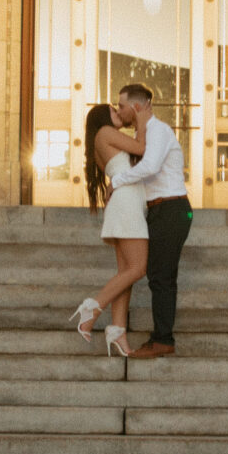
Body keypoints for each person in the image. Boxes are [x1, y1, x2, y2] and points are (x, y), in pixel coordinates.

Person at [111, 79, 191, 358]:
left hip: (172, 209)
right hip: (158, 210)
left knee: (162, 276)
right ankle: (160, 337)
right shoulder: (144, 135)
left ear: (135, 106)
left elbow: (151, 166)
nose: (119, 110)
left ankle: (163, 340)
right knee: (158, 275)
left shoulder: (160, 130)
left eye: (121, 106)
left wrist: (117, 181)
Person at [69, 99, 148, 359]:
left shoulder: (99, 141)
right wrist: (141, 118)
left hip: (123, 204)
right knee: (138, 269)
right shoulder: (106, 132)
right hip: (127, 205)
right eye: (114, 110)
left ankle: (118, 332)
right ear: (103, 117)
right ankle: (92, 308)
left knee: (126, 272)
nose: (118, 112)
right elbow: (141, 148)